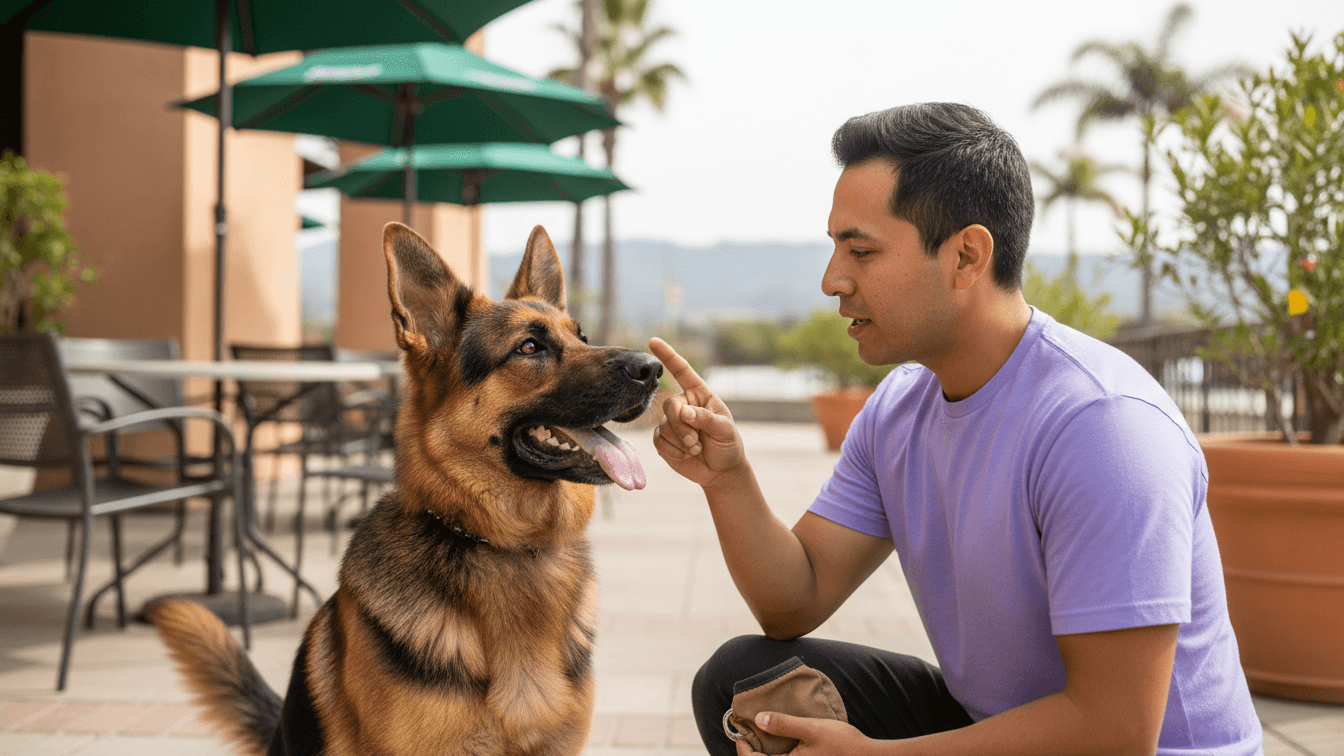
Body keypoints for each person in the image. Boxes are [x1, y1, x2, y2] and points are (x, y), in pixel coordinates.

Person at [649, 102, 1262, 756]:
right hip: (1002, 724)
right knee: (743, 683)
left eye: (861, 251)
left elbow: (1116, 730)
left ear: (966, 256)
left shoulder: (1103, 428)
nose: (832, 281)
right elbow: (794, 600)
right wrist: (728, 479)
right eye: (835, 249)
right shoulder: (899, 409)